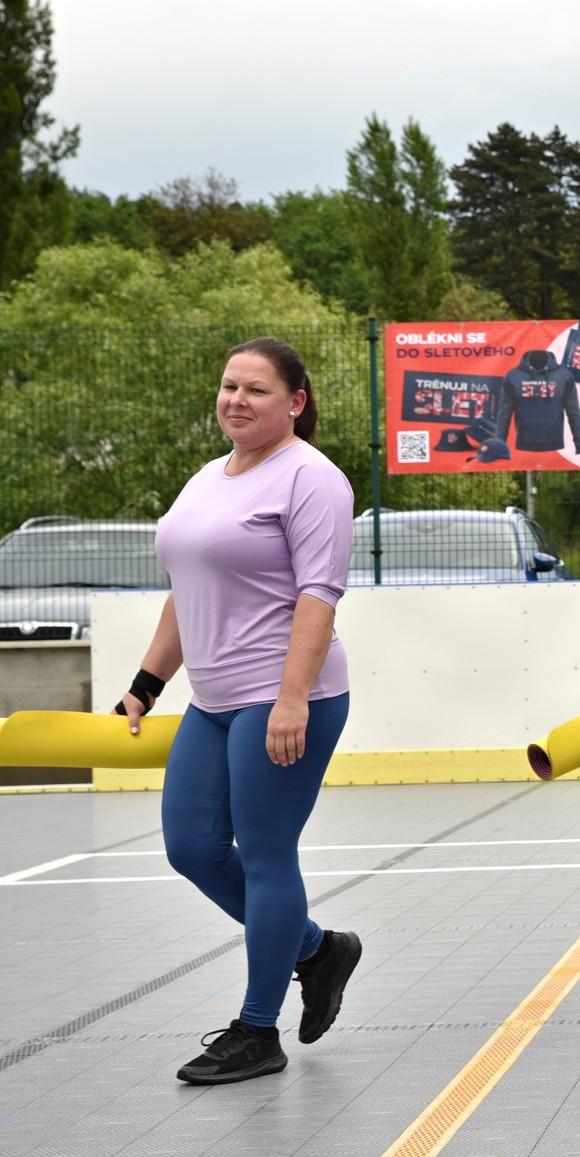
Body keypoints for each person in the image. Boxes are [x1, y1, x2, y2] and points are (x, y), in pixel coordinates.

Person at [117, 337, 359, 1084]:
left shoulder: (313, 478)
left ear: (295, 402)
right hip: (213, 698)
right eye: (229, 386)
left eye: (256, 389)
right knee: (192, 848)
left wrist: (292, 698)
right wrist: (148, 682)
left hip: (283, 696)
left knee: (264, 852)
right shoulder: (207, 478)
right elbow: (188, 590)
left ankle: (258, 1030)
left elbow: (319, 595)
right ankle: (316, 949)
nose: (236, 400)